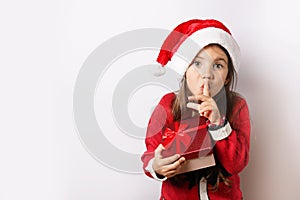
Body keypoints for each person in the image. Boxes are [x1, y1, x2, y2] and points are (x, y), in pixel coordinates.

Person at [141, 19, 251, 199]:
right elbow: (150, 155)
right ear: (185, 70)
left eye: (218, 65)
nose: (207, 74)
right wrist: (157, 166)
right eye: (198, 64)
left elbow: (236, 164)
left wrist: (218, 123)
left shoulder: (237, 106)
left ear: (227, 77)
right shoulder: (167, 105)